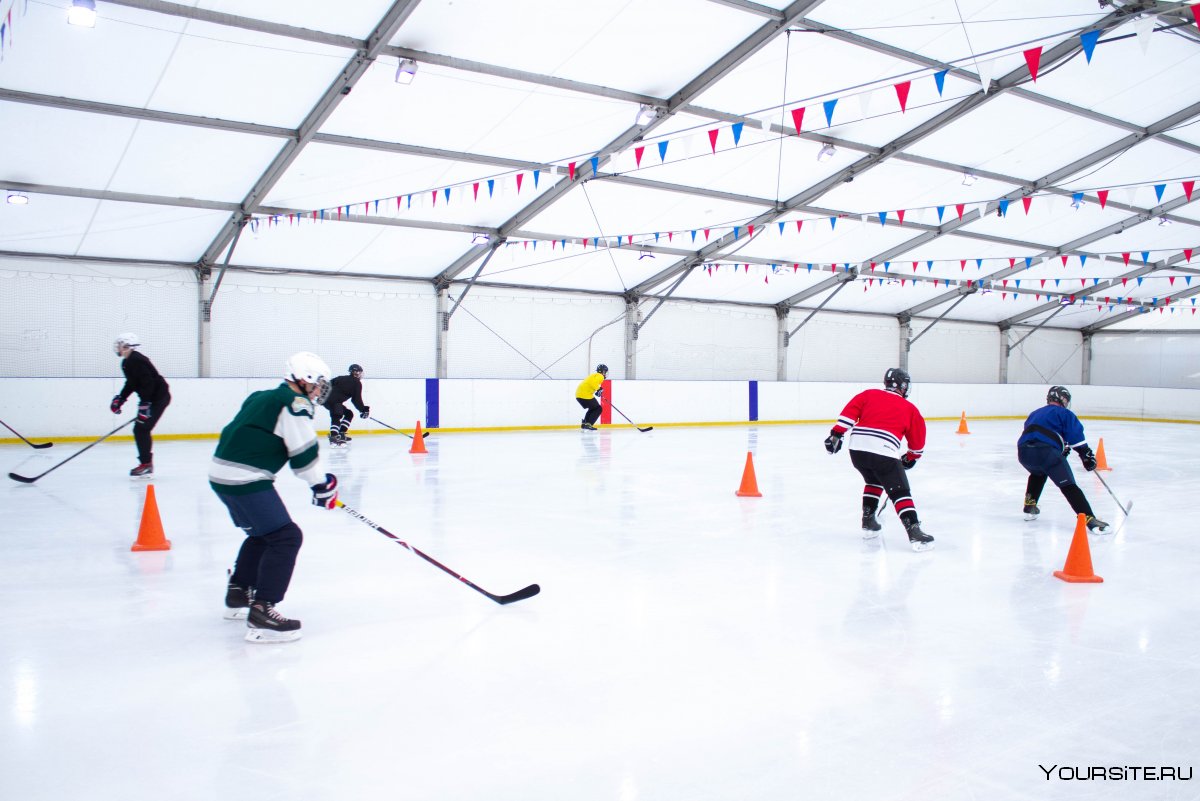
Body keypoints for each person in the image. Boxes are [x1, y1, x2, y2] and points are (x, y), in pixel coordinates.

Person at [208, 352, 340, 643]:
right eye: (317, 384)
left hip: (221, 475)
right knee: (286, 537)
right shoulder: (294, 405)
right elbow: (303, 456)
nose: (319, 390)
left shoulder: (262, 397)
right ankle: (263, 610)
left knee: (262, 534)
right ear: (304, 379)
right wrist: (321, 485)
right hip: (244, 477)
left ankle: (239, 594)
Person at [824, 367, 934, 552]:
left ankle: (868, 521)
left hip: (857, 450)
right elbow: (917, 441)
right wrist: (911, 457)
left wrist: (836, 434)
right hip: (883, 451)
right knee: (900, 491)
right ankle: (914, 532)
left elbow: (849, 413)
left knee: (874, 480)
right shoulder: (910, 409)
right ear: (904, 386)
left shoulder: (868, 395)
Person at [1017, 385, 1108, 531]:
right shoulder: (1064, 413)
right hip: (1046, 453)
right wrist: (1086, 455)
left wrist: (1058, 449)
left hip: (1023, 452)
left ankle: (1030, 504)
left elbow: (1039, 432)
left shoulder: (1034, 413)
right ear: (1063, 399)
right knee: (1069, 486)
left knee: (1038, 472)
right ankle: (1089, 519)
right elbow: (1075, 437)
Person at [110, 333, 171, 478]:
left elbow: (148, 383)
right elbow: (132, 383)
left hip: (159, 398)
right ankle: (146, 463)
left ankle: (146, 464)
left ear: (127, 346)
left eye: (120, 345)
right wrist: (121, 399)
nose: (118, 347)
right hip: (151, 399)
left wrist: (145, 404)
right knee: (140, 429)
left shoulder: (137, 360)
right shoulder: (127, 362)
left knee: (141, 429)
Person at [323, 363, 369, 445]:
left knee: (348, 413)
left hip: (326, 400)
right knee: (336, 415)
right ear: (356, 372)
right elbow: (356, 400)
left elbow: (327, 384)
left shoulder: (340, 378)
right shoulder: (357, 383)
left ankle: (341, 434)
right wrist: (363, 410)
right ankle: (333, 437)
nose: (361, 374)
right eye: (360, 372)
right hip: (335, 401)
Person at [575, 364, 608, 431]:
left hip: (579, 395)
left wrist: (598, 390)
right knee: (598, 409)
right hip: (584, 395)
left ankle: (585, 423)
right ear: (603, 371)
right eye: (605, 372)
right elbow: (594, 382)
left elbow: (591, 383)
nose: (606, 374)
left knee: (593, 408)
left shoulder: (594, 375)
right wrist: (599, 389)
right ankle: (588, 424)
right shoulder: (600, 376)